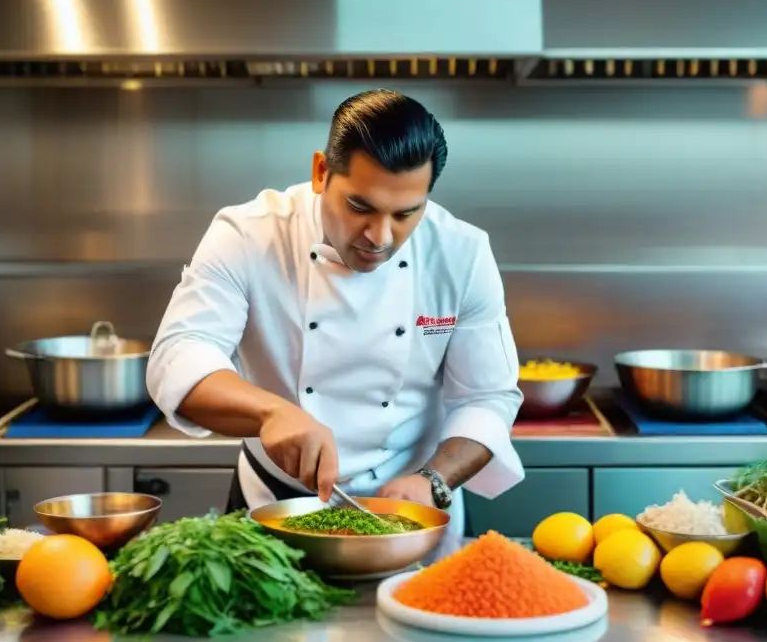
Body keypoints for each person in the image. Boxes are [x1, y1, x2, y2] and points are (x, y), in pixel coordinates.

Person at [146, 88, 524, 542]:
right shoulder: (249, 234)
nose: (380, 237)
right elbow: (179, 355)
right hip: (275, 507)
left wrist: (434, 481)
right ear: (321, 172)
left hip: (413, 516)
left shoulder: (461, 253)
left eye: (406, 213)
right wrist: (270, 413)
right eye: (360, 207)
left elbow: (487, 397)